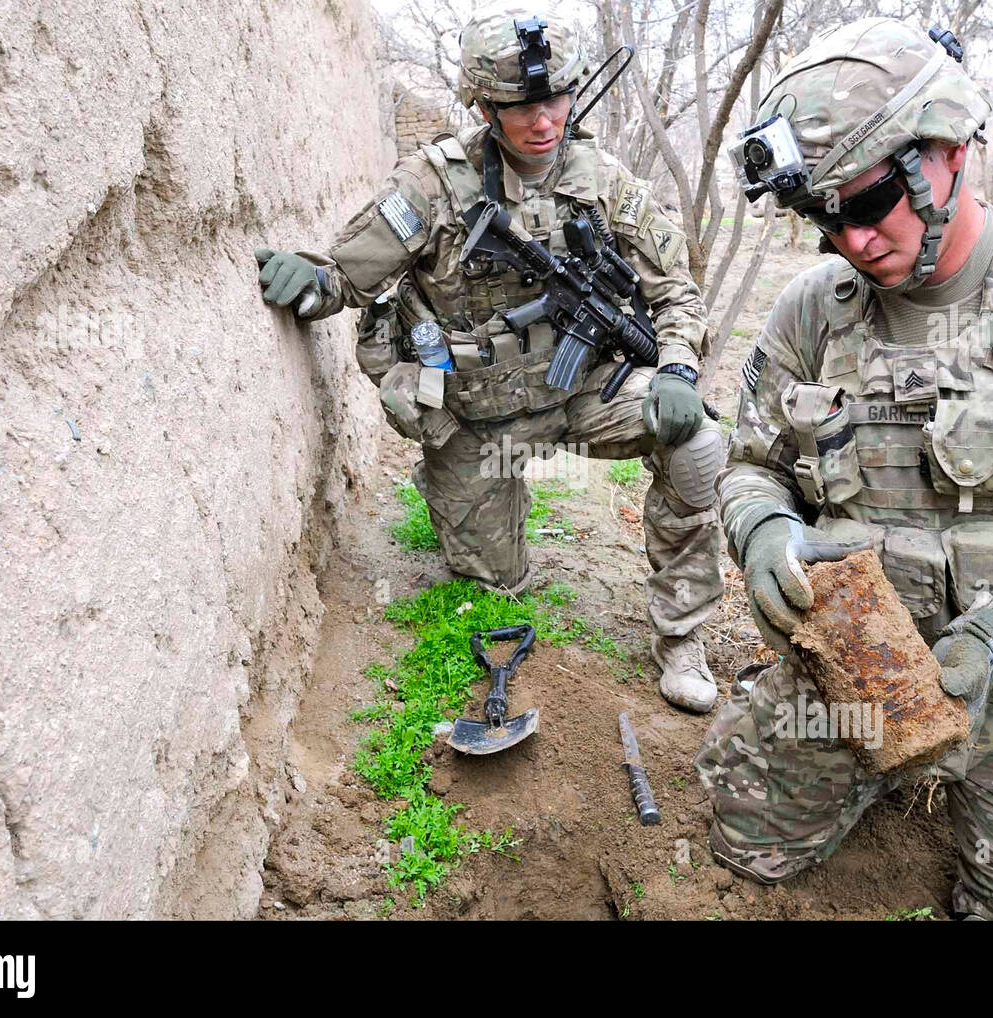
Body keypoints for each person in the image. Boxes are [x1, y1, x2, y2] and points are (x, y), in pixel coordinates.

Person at [696, 17, 993, 918]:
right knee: (743, 848)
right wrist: (762, 526)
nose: (850, 240)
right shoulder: (814, 310)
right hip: (852, 668)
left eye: (867, 202)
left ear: (947, 150)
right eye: (822, 216)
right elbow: (750, 464)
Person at [254, 4, 726, 712]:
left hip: (584, 393)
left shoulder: (607, 184)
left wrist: (681, 369)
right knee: (495, 586)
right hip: (479, 417)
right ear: (483, 105)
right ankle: (470, 498)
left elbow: (679, 295)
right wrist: (312, 281)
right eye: (520, 106)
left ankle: (683, 637)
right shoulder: (436, 183)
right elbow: (348, 274)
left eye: (556, 98)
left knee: (699, 442)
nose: (544, 121)